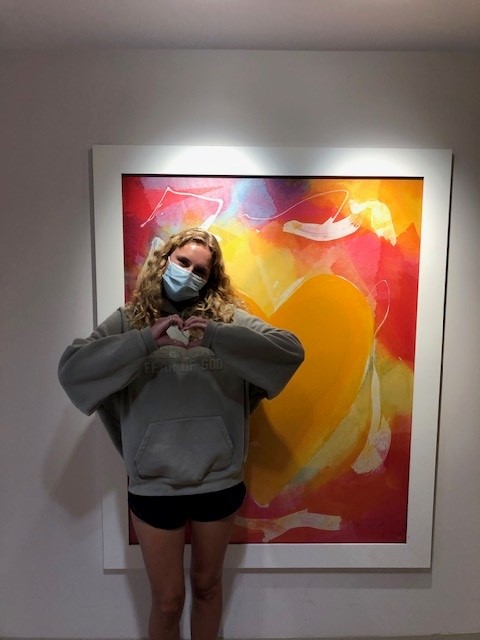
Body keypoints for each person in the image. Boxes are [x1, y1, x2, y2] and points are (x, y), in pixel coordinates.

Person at [58, 227, 304, 640]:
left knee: (207, 587)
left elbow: (288, 351)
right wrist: (143, 343)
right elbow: (74, 370)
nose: (189, 273)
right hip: (154, 485)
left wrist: (217, 337)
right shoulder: (129, 320)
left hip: (218, 480)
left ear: (211, 278)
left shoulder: (226, 318)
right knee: (168, 601)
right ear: (166, 260)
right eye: (183, 262)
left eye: (200, 270)